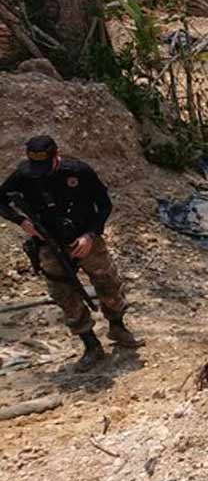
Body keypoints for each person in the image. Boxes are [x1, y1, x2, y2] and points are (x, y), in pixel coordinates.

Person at [0, 135, 142, 372]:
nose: (41, 172)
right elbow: (1, 201)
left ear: (57, 155)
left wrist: (90, 235)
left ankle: (117, 327)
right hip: (49, 242)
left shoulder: (78, 172)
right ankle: (90, 345)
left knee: (108, 283)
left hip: (85, 237)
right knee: (63, 293)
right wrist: (21, 221)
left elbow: (104, 204)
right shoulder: (25, 175)